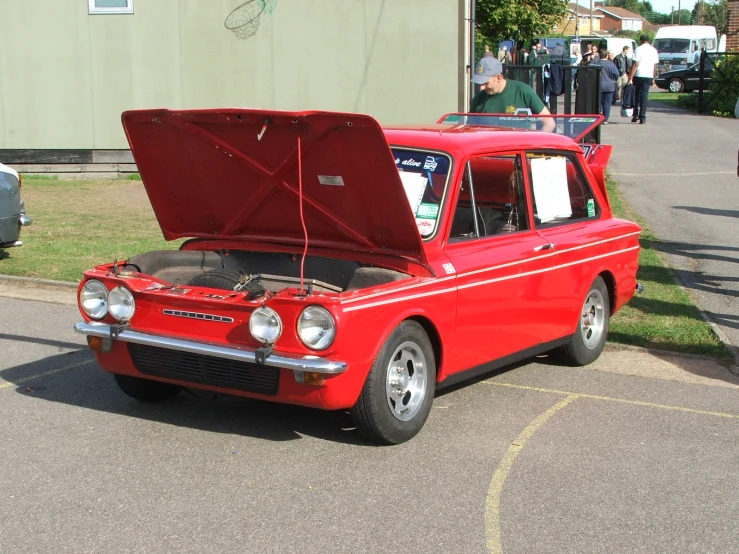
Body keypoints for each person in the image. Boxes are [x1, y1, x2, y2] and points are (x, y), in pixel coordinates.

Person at [470, 57, 555, 132]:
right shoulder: (478, 99)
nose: (481, 87)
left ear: (498, 77)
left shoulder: (523, 91)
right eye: (480, 83)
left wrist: (534, 144)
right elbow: (470, 130)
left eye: (485, 83)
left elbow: (549, 123)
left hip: (518, 147)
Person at [627, 34, 659, 124]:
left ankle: (635, 115)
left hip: (639, 74)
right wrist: (653, 78)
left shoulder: (638, 49)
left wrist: (631, 77)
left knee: (636, 95)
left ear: (641, 41)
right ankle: (643, 116)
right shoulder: (654, 50)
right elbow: (655, 65)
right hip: (648, 75)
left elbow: (636, 64)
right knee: (644, 96)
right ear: (648, 40)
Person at [594, 48, 620, 124]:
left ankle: (598, 117)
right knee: (607, 103)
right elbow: (616, 74)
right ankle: (605, 119)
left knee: (598, 102)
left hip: (598, 85)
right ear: (607, 55)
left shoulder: (596, 63)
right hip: (609, 86)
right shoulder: (611, 64)